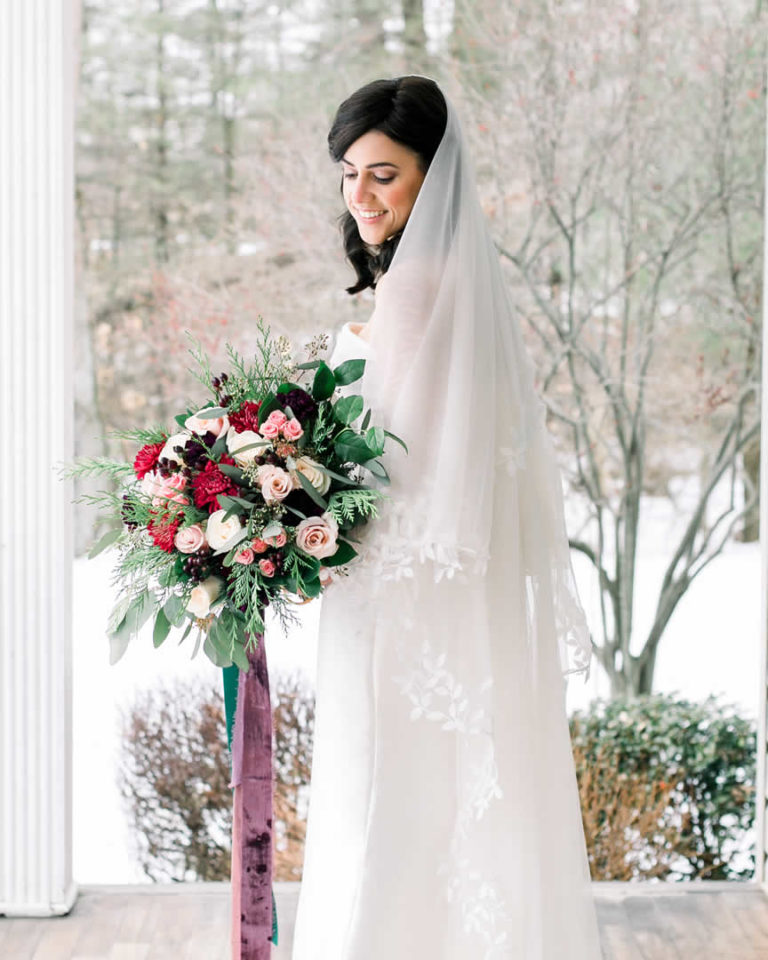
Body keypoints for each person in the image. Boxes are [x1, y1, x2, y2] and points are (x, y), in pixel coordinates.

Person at [291, 75, 604, 960]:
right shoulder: (453, 279)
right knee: (435, 804)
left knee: (393, 796)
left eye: (384, 174)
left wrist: (292, 506)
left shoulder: (419, 284)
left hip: (401, 598)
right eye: (349, 173)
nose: (360, 197)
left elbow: (401, 468)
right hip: (427, 589)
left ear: (435, 175)